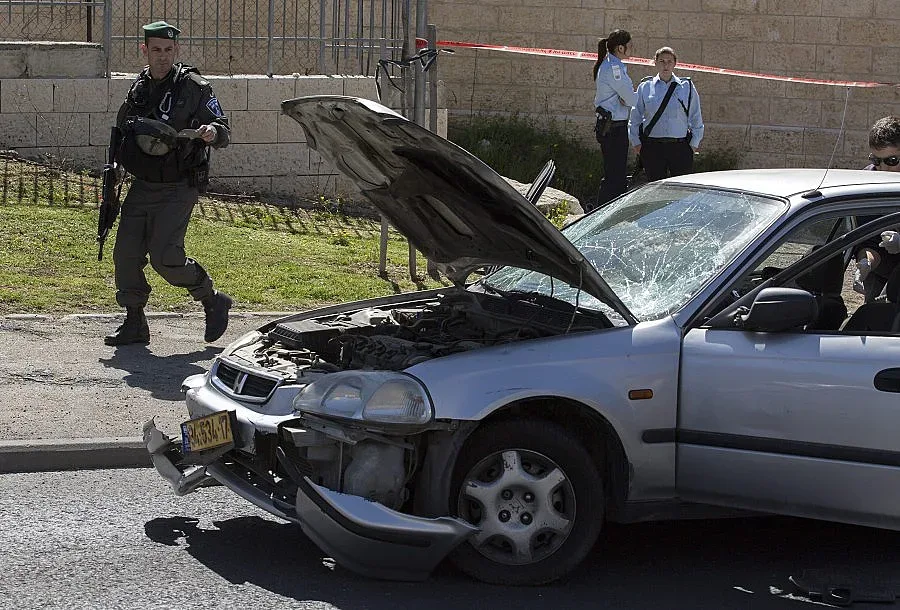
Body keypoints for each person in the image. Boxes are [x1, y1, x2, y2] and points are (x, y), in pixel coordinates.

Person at [104, 20, 233, 346]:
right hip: (143, 183)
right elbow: (123, 132)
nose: (162, 57)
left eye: (168, 50)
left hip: (179, 184)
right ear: (145, 51)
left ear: (176, 51)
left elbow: (223, 129)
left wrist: (211, 132)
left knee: (165, 256)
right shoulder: (139, 88)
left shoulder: (194, 87)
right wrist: (116, 168)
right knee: (126, 253)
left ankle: (211, 299)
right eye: (156, 50)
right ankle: (135, 322)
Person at [628, 46, 704, 182]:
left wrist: (693, 144)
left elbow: (696, 116)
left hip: (680, 147)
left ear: (675, 63)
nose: (665, 65)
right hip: (653, 147)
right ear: (655, 63)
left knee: (680, 190)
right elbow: (635, 116)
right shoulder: (645, 87)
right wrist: (636, 143)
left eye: (669, 61)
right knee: (655, 189)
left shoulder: (686, 87)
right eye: (662, 61)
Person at [853, 116, 900, 302]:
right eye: (876, 160)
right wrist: (866, 263)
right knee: (874, 319)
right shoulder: (867, 182)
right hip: (880, 275)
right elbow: (869, 242)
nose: (882, 168)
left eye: (892, 160)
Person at [591, 29, 636, 209]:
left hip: (613, 126)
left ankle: (605, 210)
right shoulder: (614, 68)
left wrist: (625, 98)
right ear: (620, 48)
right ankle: (603, 212)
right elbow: (631, 99)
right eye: (630, 46)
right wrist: (626, 98)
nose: (633, 49)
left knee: (615, 174)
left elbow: (626, 98)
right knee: (615, 177)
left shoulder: (610, 64)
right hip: (614, 128)